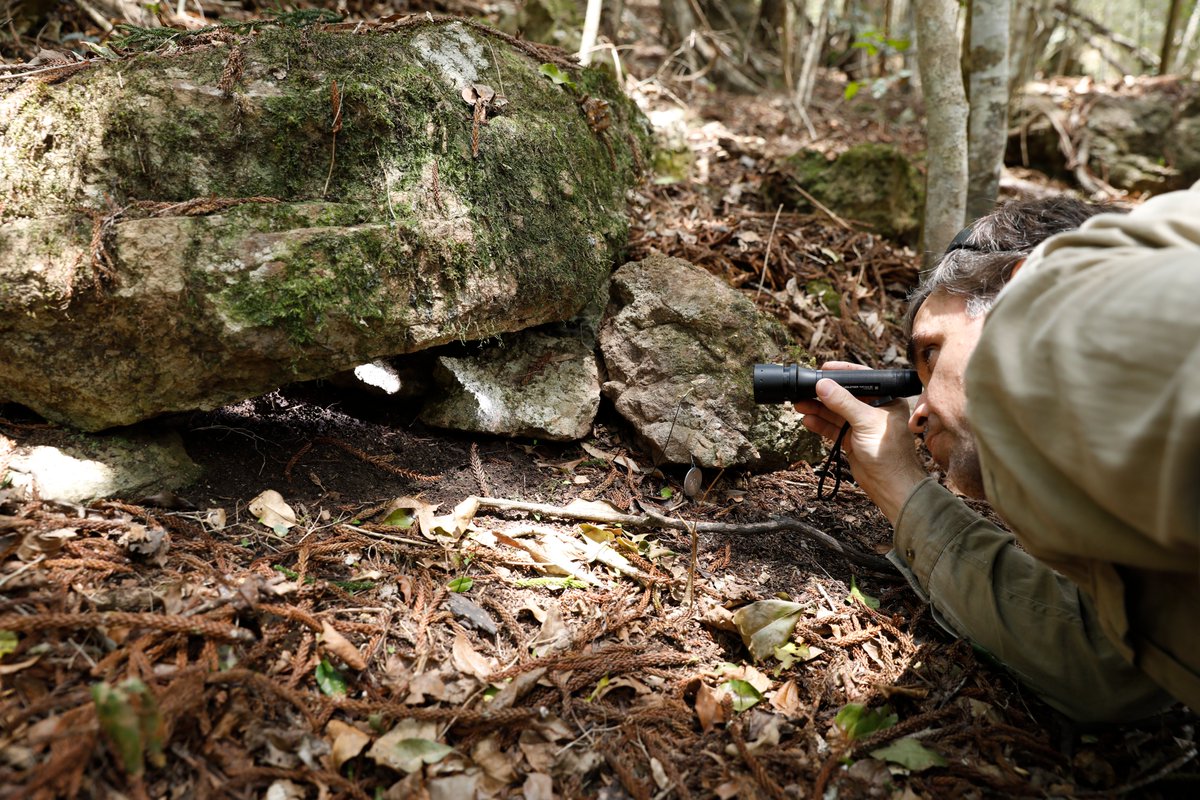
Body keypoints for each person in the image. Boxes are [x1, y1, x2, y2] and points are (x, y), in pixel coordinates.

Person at [795, 188, 1200, 722]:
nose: (917, 415)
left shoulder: (1109, 285)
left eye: (931, 352)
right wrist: (900, 486)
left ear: (1022, 281)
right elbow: (1104, 663)